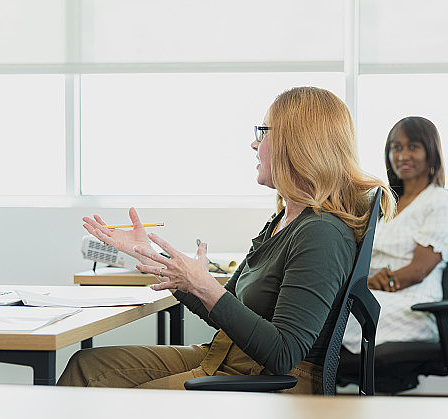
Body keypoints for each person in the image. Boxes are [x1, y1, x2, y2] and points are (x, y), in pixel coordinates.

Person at [58, 86, 394, 393]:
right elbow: (223, 307)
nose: (253, 143)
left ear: (299, 142)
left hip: (274, 383)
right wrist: (155, 260)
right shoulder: (284, 220)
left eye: (262, 133)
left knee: (122, 405)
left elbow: (284, 353)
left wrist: (204, 286)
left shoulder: (321, 234)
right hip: (228, 359)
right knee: (87, 365)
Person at [341, 117, 448, 353]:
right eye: (396, 147)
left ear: (431, 153)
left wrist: (370, 283)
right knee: (328, 309)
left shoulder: (440, 202)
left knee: (336, 317)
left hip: (412, 306)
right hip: (374, 292)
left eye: (413, 147)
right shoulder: (385, 203)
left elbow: (417, 271)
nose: (402, 155)